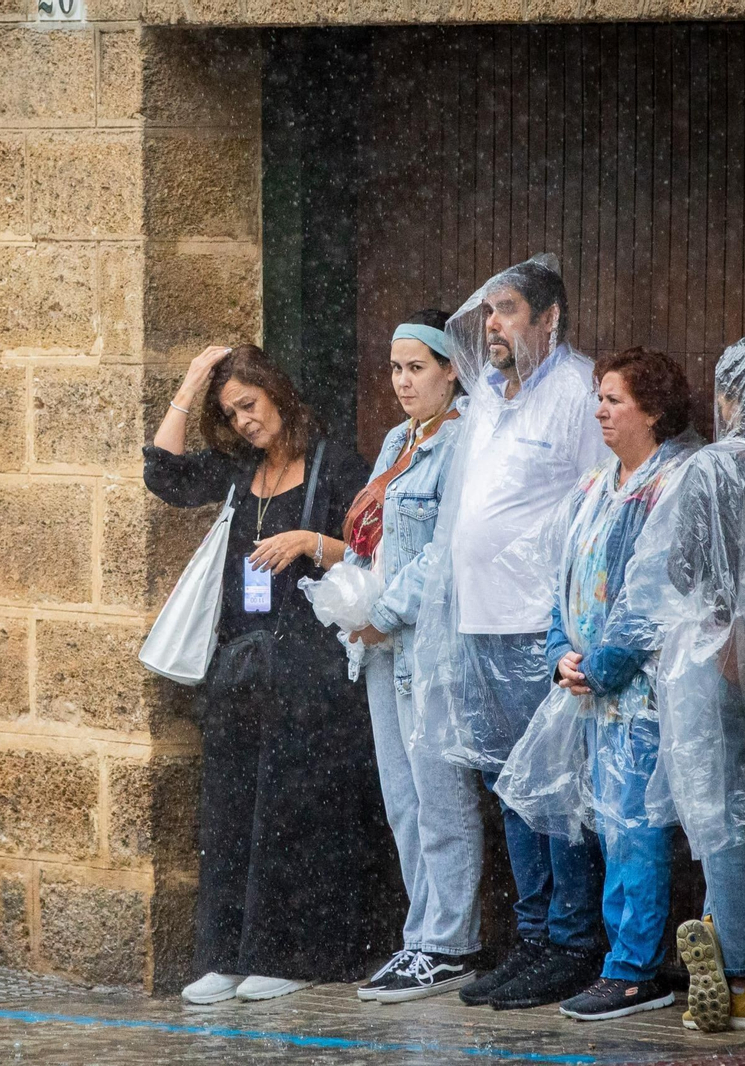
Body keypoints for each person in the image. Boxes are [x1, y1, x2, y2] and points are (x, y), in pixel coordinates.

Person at [145, 344, 391, 1005]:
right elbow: (163, 474)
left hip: (310, 668)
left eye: (249, 405)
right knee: (231, 813)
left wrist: (309, 542)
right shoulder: (236, 468)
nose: (245, 422)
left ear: (278, 394)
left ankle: (296, 952)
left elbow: (378, 551)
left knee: (298, 812)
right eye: (231, 413)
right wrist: (195, 377)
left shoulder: (334, 465)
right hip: (242, 663)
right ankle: (228, 953)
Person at [409, 254, 609, 1011]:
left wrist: (578, 630)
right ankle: (531, 938)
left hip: (539, 630)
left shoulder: (575, 391)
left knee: (556, 791)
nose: (492, 326)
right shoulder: (488, 397)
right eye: (487, 313)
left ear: (549, 318)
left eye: (509, 312)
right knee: (509, 788)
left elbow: (598, 509)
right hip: (479, 627)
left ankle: (573, 941)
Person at [494, 347, 696, 1021]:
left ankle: (636, 968)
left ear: (654, 411)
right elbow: (562, 586)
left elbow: (653, 597)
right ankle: (619, 957)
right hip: (588, 694)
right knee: (608, 828)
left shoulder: (672, 486)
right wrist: (561, 655)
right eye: (599, 398)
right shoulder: (591, 489)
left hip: (639, 697)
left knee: (636, 829)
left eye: (615, 400)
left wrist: (605, 664)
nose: (601, 411)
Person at [342, 311, 484, 1004]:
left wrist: (383, 611)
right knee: (404, 801)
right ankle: (420, 934)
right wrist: (347, 600)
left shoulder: (463, 442)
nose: (401, 381)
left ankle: (451, 943)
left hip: (427, 650)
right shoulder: (401, 439)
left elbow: (446, 551)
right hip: (379, 648)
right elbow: (372, 540)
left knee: (440, 797)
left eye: (416, 367)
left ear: (451, 368)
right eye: (395, 368)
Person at [626, 332, 745, 1032]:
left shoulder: (715, 467)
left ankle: (741, 977)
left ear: (732, 392)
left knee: (725, 819)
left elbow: (679, 572)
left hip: (716, 666)